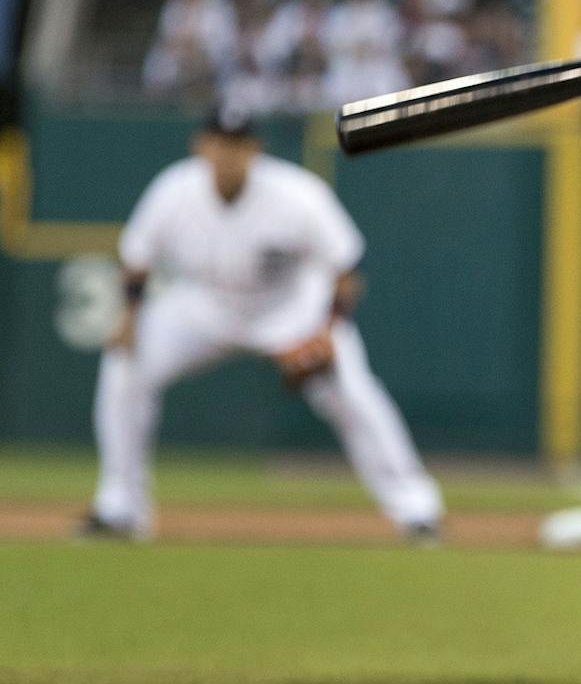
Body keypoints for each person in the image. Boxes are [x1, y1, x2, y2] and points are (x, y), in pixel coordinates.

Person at [85, 106, 442, 540]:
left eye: (238, 144)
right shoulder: (174, 190)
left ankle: (416, 509)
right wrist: (129, 321)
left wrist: (329, 332)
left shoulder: (296, 194)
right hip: (205, 306)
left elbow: (347, 273)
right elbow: (137, 262)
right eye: (219, 142)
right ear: (201, 146)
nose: (227, 153)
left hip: (290, 309)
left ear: (255, 150)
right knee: (124, 367)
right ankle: (121, 508)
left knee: (352, 392)